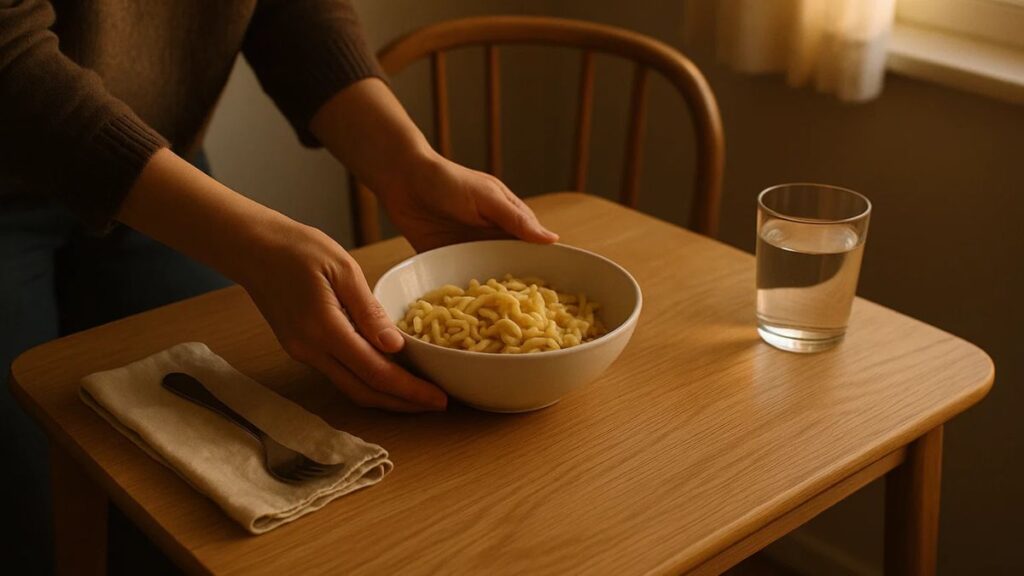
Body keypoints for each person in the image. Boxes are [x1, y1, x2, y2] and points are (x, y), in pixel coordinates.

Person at [0, 0, 557, 571]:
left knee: (207, 493)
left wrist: (404, 163)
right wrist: (252, 245)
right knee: (29, 516)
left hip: (156, 167)